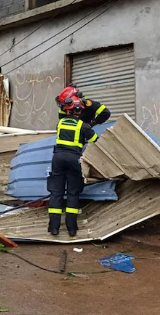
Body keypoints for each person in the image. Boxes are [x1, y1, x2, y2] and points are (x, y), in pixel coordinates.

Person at [48, 97, 98, 237]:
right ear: (80, 112)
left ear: (67, 110)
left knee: (56, 193)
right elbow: (95, 139)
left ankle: (54, 228)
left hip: (57, 158)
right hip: (74, 159)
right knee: (72, 193)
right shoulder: (83, 125)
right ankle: (71, 229)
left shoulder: (60, 123)